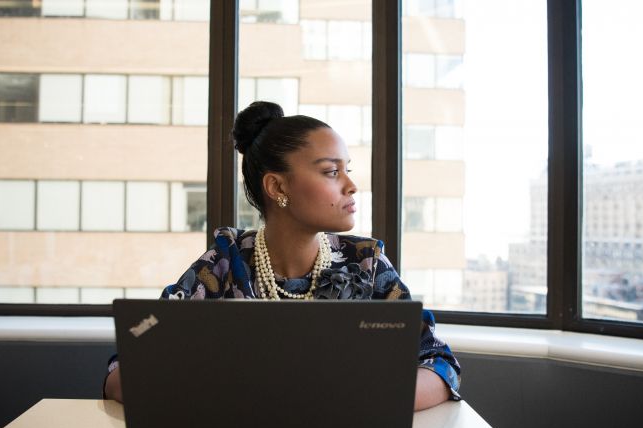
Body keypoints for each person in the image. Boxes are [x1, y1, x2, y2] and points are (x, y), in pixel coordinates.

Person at [104, 101, 461, 410]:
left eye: (346, 170)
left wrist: (356, 399)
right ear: (277, 187)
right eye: (331, 171)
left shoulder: (367, 263)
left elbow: (439, 363)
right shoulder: (224, 264)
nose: (351, 185)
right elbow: (123, 371)